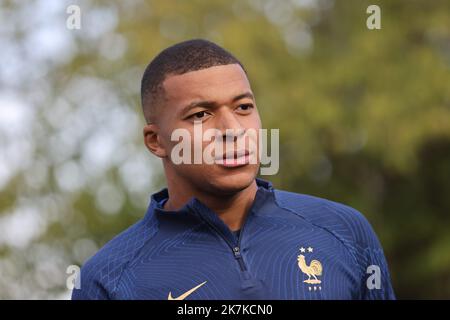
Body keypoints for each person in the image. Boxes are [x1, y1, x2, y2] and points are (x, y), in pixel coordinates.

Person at [72, 39, 395, 300]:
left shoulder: (344, 231)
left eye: (243, 108)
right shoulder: (109, 280)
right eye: (200, 115)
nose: (231, 129)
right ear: (156, 140)